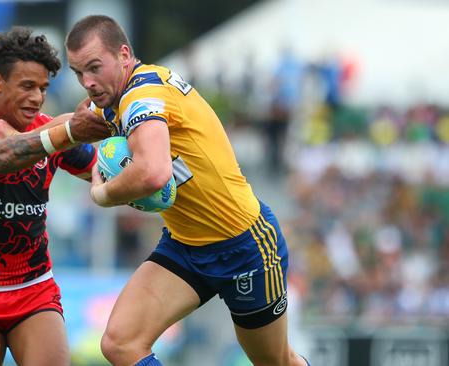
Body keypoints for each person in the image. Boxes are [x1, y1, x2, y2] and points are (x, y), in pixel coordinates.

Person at [66, 15, 309, 366]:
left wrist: (101, 194)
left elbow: (152, 173)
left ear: (123, 54)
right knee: (121, 343)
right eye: (78, 73)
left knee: (275, 361)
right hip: (186, 247)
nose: (87, 82)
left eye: (94, 67)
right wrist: (32, 139)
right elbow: (69, 127)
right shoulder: (117, 98)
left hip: (244, 244)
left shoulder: (140, 96)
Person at [0, 26, 110, 366]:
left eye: (44, 88)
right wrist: (69, 130)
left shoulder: (52, 130)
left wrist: (147, 172)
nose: (37, 98)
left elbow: (100, 172)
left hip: (34, 291)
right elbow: (1, 157)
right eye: (27, 86)